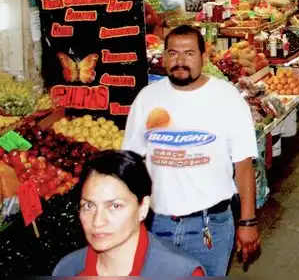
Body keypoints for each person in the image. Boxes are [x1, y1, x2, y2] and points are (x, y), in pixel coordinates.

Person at [123, 25, 260, 276]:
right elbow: (132, 161)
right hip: (157, 224)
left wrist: (248, 222)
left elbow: (243, 165)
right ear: (164, 57)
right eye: (173, 53)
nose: (180, 61)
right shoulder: (147, 98)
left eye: (189, 53)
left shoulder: (226, 97)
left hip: (210, 226)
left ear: (203, 57)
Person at [54, 150, 206, 276]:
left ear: (143, 207)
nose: (97, 221)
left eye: (115, 206)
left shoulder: (181, 273)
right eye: (88, 205)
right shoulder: (67, 270)